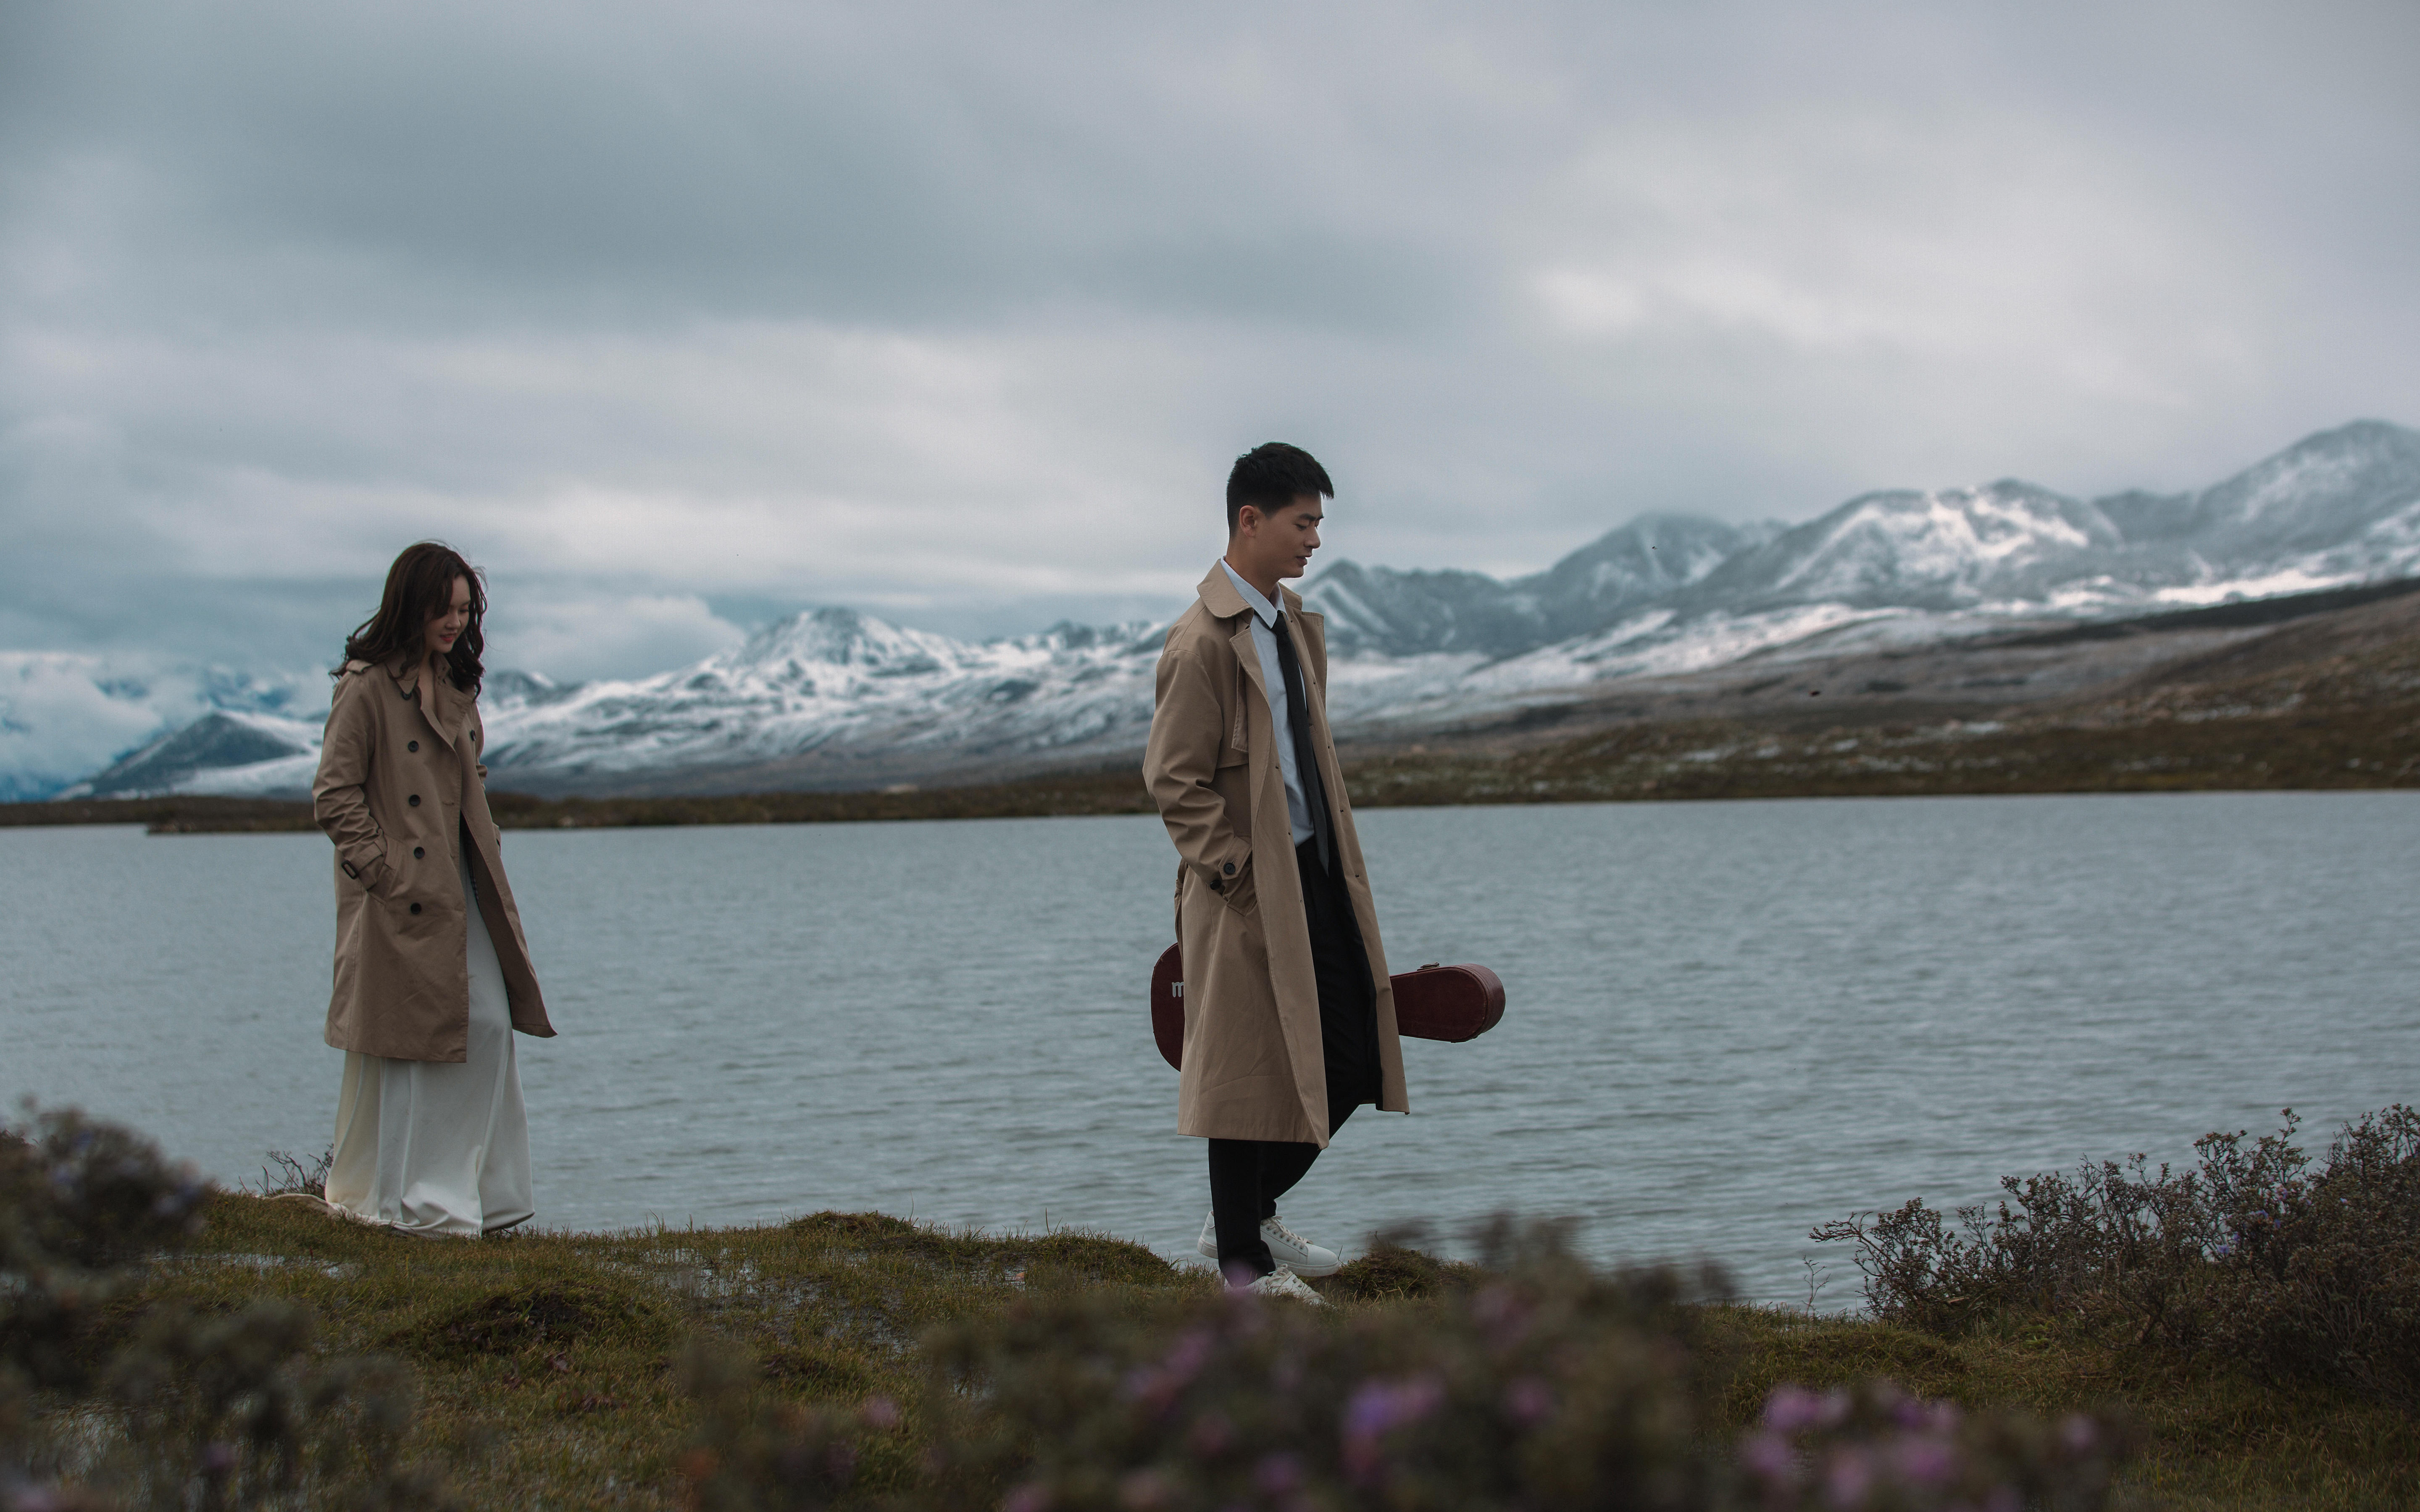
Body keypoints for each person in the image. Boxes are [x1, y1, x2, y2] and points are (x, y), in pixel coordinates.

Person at [1143, 442, 1410, 1302]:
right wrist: (1237, 876)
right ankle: (1240, 1269)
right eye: (1304, 523)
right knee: (1246, 1073)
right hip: (1248, 889)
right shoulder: (1200, 644)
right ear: (1250, 521)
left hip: (1316, 877)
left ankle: (1244, 1222)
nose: (1315, 541)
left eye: (1320, 524)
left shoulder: (1289, 624)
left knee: (1353, 1056)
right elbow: (1174, 782)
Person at [311, 542, 555, 1236]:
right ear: (410, 605)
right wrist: (387, 873)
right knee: (415, 1041)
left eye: (464, 610)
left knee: (486, 1026)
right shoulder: (364, 687)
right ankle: (419, 1205)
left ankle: (470, 1197)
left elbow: (464, 784)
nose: (454, 622)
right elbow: (334, 796)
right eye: (443, 609)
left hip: (462, 887)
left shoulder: (456, 684)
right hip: (402, 899)